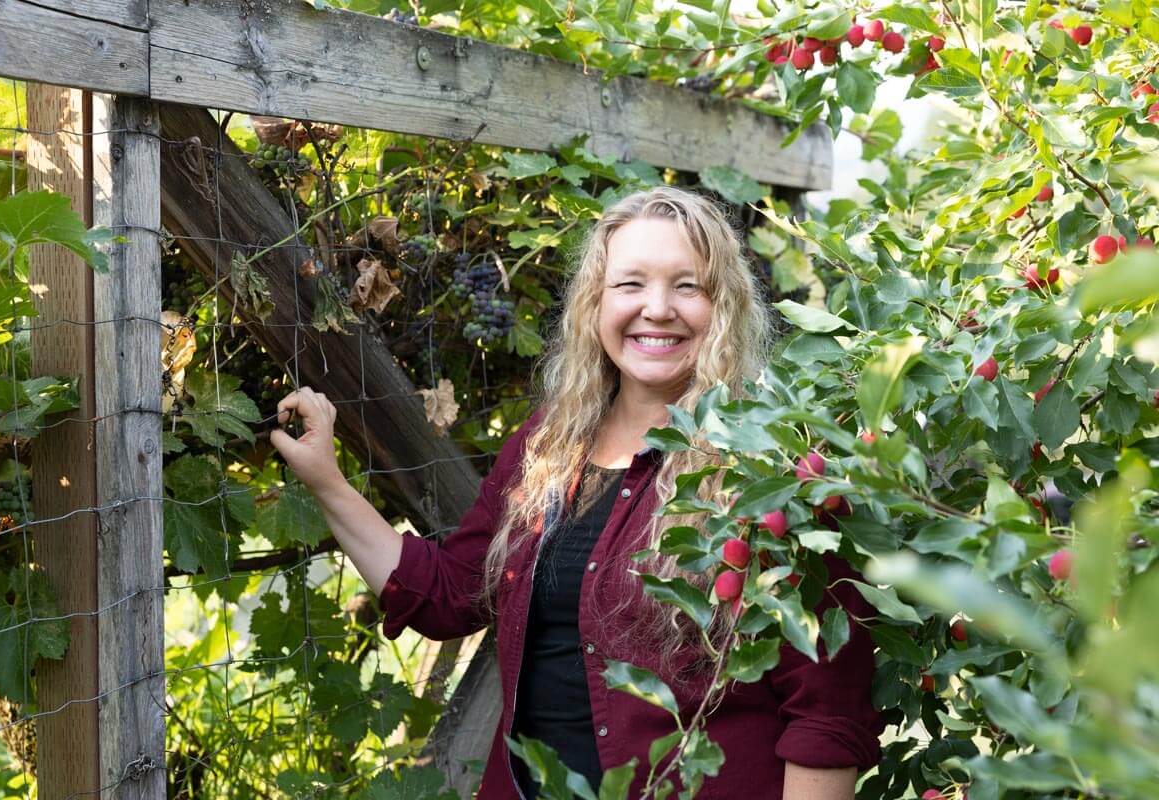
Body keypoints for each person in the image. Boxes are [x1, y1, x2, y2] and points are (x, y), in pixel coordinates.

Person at [270, 186, 883, 799]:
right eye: (630, 284)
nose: (658, 308)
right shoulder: (547, 446)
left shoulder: (768, 470)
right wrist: (326, 478)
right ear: (595, 304)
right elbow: (447, 594)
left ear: (724, 306)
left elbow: (828, 713)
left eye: (688, 286)